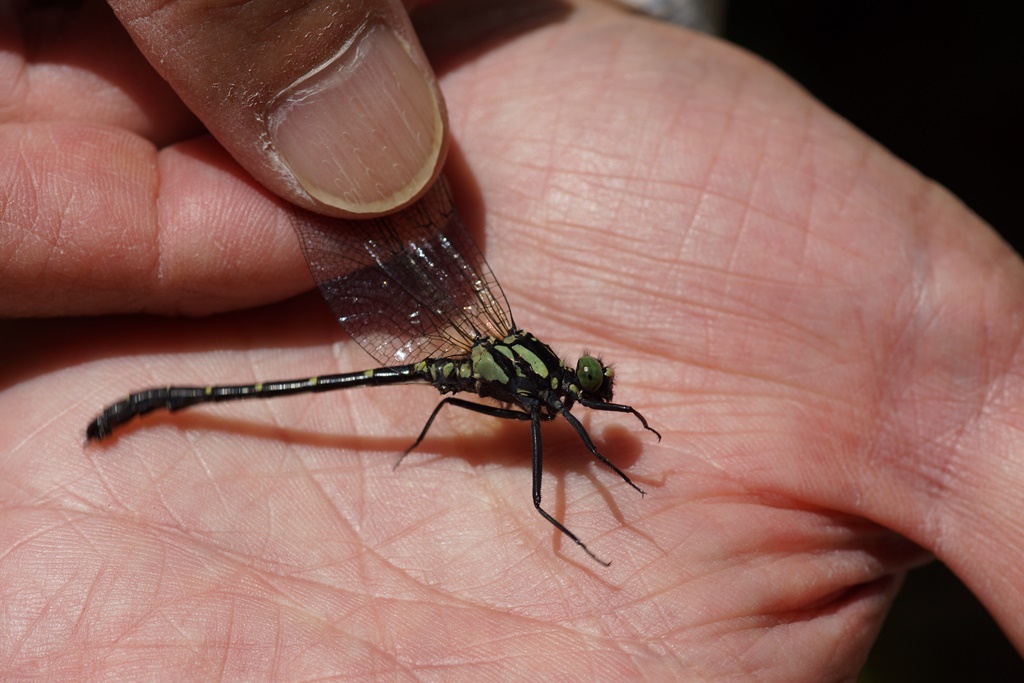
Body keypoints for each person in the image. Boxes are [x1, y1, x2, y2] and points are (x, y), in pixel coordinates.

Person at [3, 0, 1021, 678]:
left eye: (585, 384)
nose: (591, 389)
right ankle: (166, 400)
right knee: (535, 476)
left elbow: (584, 418)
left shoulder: (551, 392)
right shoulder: (531, 393)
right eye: (586, 383)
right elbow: (505, 428)